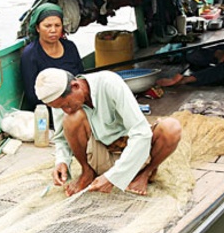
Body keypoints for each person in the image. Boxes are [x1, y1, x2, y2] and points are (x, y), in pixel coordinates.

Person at [34, 68, 182, 197]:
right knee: (71, 119)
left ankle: (145, 174)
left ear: (75, 85)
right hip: (101, 153)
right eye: (59, 108)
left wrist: (113, 177)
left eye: (66, 104)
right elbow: (61, 138)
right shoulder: (59, 99)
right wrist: (62, 161)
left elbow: (141, 133)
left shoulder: (109, 83)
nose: (65, 110)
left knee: (171, 128)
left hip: (138, 153)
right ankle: (87, 172)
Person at [20, 3, 84, 111]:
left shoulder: (70, 47)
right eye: (48, 26)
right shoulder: (30, 54)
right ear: (37, 28)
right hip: (47, 109)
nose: (53, 30)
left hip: (75, 104)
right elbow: (32, 95)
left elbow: (81, 77)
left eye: (57, 25)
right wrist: (61, 105)